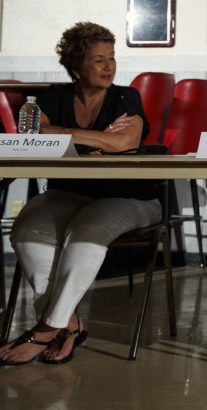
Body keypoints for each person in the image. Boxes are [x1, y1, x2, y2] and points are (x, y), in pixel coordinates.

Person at [0, 22, 160, 366]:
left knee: (85, 231)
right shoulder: (52, 97)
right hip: (70, 192)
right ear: (76, 66)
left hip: (131, 196)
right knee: (26, 229)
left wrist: (61, 133)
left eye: (112, 58)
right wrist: (93, 137)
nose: (109, 67)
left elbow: (125, 142)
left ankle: (45, 330)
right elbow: (35, 136)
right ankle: (69, 324)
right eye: (98, 59)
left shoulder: (125, 96)